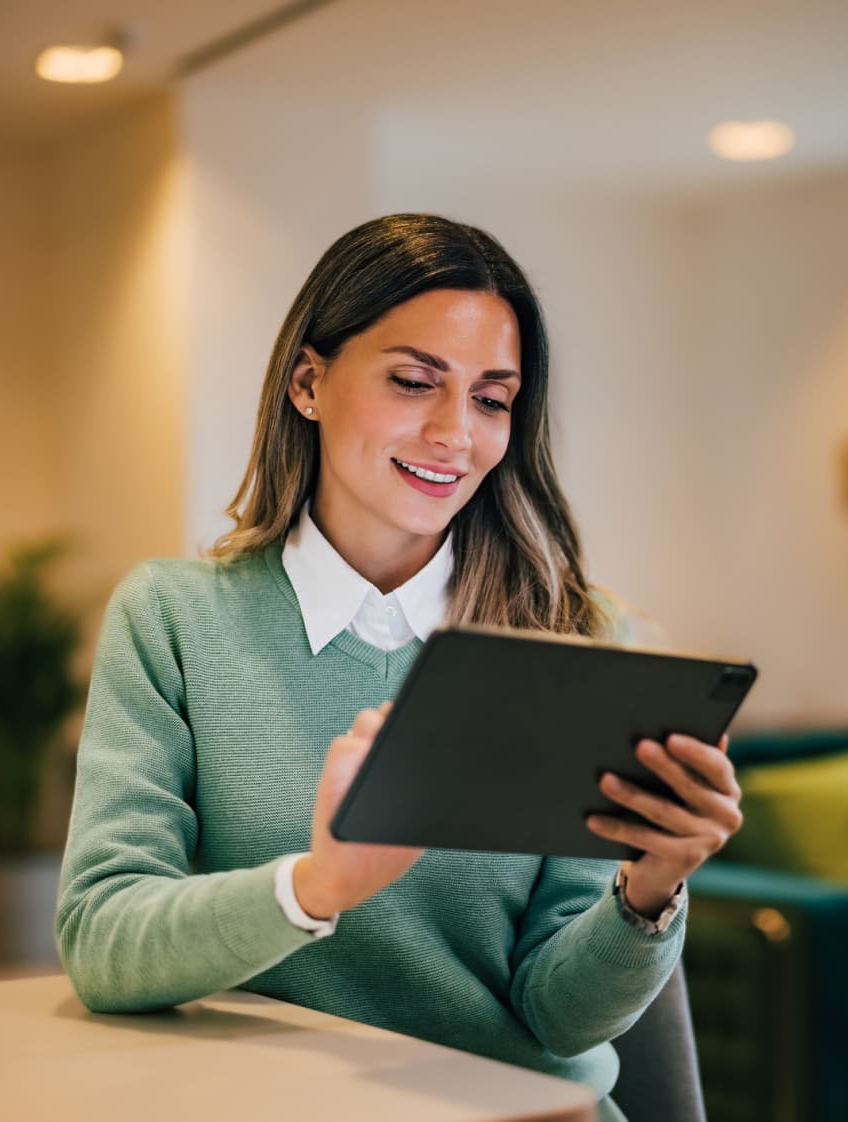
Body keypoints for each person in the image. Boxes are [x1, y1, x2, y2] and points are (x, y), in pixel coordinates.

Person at [55, 213, 743, 1122]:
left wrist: (650, 888)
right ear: (309, 381)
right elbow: (103, 942)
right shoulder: (175, 619)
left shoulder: (581, 641)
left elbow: (562, 1017)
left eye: (492, 400)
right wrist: (315, 889)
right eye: (416, 382)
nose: (455, 434)